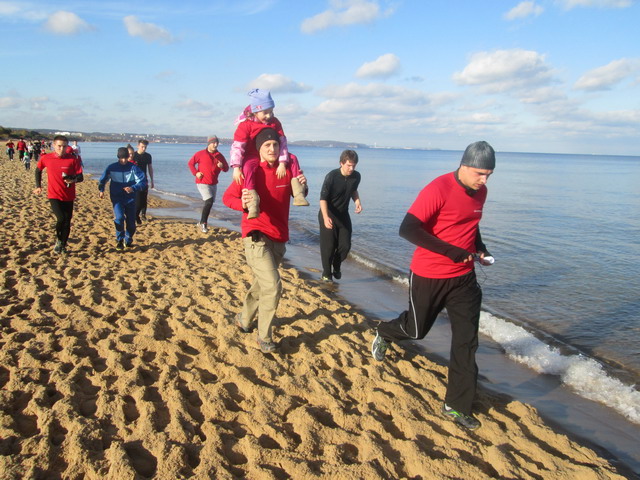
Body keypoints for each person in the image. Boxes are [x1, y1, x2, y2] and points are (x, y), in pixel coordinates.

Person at [370, 141, 496, 431]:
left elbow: (470, 224)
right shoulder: (437, 189)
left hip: (464, 278)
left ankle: (456, 405)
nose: (484, 180)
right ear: (463, 166)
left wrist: (480, 248)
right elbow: (408, 229)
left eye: (489, 175)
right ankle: (383, 332)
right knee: (416, 330)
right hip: (429, 275)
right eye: (480, 173)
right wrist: (451, 251)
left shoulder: (481, 192)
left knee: (466, 341)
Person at [223, 128, 308, 354]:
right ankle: (264, 337)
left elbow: (299, 194)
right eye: (266, 145)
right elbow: (227, 197)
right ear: (259, 149)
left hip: (279, 238)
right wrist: (242, 204)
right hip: (255, 237)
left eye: (275, 145)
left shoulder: (286, 169)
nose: (272, 149)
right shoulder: (250, 171)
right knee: (273, 285)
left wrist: (303, 184)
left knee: (262, 285)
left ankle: (244, 319)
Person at [230, 89, 308, 219]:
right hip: (252, 154)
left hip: (272, 154)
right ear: (255, 111)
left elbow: (282, 142)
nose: (269, 115)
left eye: (271, 111)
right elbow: (238, 147)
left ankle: (298, 193)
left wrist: (283, 163)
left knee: (293, 158)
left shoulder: (275, 122)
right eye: (265, 112)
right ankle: (253, 201)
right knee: (248, 167)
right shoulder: (246, 125)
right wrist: (236, 168)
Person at [33, 135, 84, 254]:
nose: (62, 149)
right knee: (61, 218)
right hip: (54, 194)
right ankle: (59, 240)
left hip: (69, 195)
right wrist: (38, 186)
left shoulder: (73, 159)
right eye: (59, 146)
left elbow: (80, 177)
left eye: (64, 146)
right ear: (54, 146)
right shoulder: (46, 158)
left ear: (67, 147)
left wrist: (73, 179)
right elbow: (38, 170)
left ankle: (63, 244)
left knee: (67, 220)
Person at [318, 150, 362, 282]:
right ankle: (326, 274)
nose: (351, 168)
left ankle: (336, 265)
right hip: (328, 213)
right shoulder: (331, 176)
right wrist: (326, 217)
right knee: (329, 246)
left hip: (343, 214)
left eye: (354, 165)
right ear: (341, 163)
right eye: (349, 165)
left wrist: (357, 201)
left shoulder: (356, 176)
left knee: (345, 246)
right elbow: (323, 199)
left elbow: (353, 190)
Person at [98, 147, 147, 250]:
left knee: (131, 224)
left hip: (131, 199)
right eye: (121, 158)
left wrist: (133, 188)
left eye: (125, 158)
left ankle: (128, 239)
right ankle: (119, 239)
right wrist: (101, 190)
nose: (124, 160)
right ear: (118, 157)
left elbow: (143, 182)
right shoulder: (112, 167)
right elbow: (103, 180)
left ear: (128, 157)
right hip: (117, 198)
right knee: (119, 218)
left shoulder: (134, 168)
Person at [188, 135, 229, 233]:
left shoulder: (219, 155)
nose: (215, 145)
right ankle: (204, 223)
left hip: (213, 183)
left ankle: (201, 221)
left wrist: (222, 166)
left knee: (209, 203)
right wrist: (196, 173)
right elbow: (190, 163)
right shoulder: (200, 154)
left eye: (217, 143)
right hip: (202, 182)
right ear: (209, 144)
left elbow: (227, 169)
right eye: (213, 143)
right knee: (209, 201)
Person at [132, 139, 154, 224]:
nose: (144, 148)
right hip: (135, 181)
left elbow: (150, 168)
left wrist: (152, 180)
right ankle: (135, 215)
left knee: (144, 199)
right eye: (142, 147)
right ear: (138, 146)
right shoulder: (133, 155)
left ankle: (143, 214)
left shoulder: (148, 156)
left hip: (144, 180)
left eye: (145, 147)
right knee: (137, 199)